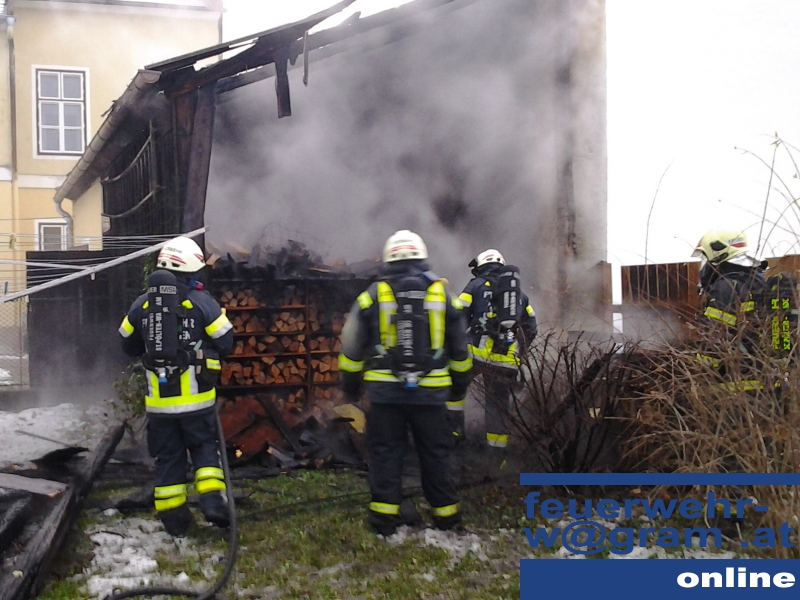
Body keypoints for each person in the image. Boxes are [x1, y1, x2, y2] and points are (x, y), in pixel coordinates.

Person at [337, 230, 472, 536]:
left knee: (386, 454)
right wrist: (458, 389)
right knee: (435, 455)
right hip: (431, 397)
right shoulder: (442, 294)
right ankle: (447, 518)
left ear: (388, 259)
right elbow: (460, 351)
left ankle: (384, 520)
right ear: (422, 257)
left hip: (386, 396)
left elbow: (351, 344)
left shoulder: (373, 294)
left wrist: (351, 386)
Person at [118, 235, 234, 536]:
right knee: (205, 450)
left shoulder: (142, 304)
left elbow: (127, 344)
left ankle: (175, 520)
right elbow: (226, 343)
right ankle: (213, 504)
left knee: (168, 459)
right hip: (197, 402)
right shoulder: (201, 301)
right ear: (191, 269)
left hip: (159, 407)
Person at [457, 249, 537, 451]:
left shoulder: (475, 286)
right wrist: (519, 352)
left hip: (475, 355)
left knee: (455, 391)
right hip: (506, 362)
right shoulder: (520, 295)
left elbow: (457, 317)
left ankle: (455, 438)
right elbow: (531, 327)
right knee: (498, 407)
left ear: (481, 265)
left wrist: (457, 344)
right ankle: (496, 452)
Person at [691, 228, 766, 391]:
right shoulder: (756, 282)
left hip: (735, 386)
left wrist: (696, 374)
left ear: (719, 257)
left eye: (706, 259)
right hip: (762, 381)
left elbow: (714, 341)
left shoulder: (726, 288)